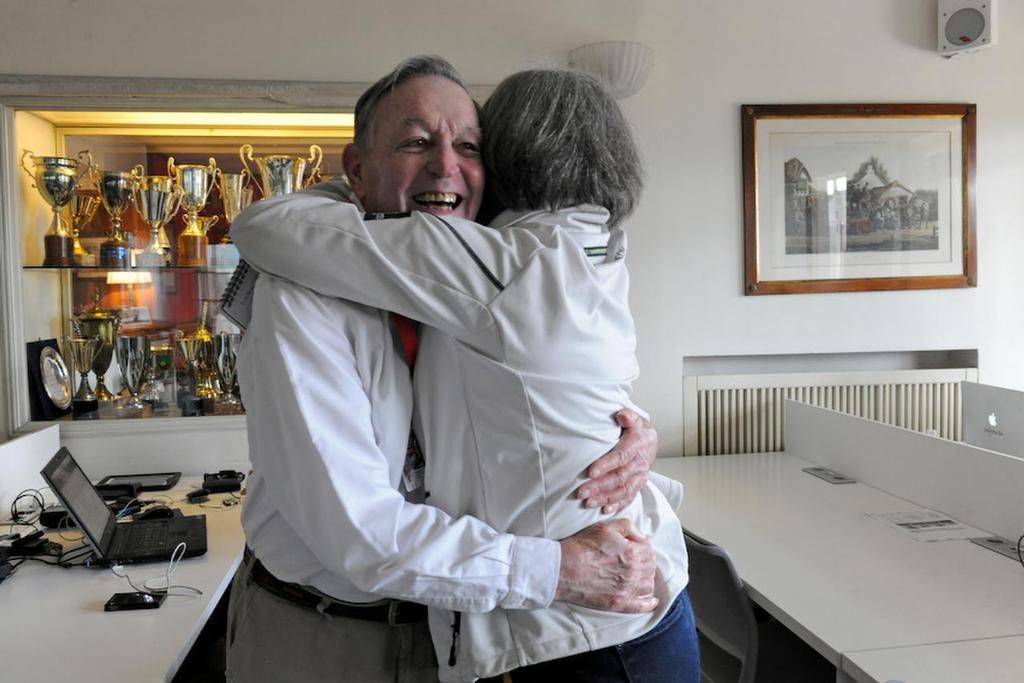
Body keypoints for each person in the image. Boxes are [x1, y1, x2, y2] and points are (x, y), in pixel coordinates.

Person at [231, 67, 697, 682]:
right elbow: (362, 534)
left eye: (469, 146)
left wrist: (632, 427)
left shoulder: (482, 267)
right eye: (415, 141)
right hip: (328, 637)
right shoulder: (304, 295)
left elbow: (555, 394)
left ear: (500, 172)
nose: (445, 165)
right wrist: (557, 570)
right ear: (357, 168)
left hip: (482, 625)